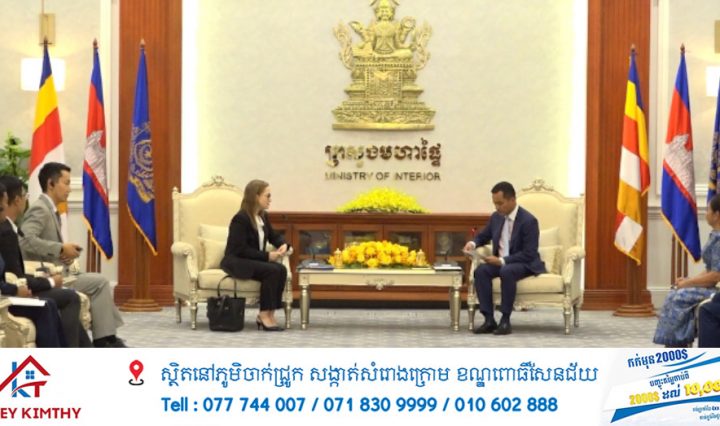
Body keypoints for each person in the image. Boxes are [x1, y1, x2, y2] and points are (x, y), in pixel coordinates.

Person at [18, 162, 127, 348]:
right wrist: (60, 248)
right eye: (66, 183)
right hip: (47, 276)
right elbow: (25, 241)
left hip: (60, 270)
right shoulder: (40, 209)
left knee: (97, 280)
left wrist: (63, 254)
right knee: (100, 282)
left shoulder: (50, 209)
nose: (70, 189)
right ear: (51, 184)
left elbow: (40, 244)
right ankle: (105, 340)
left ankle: (108, 337)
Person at [0, 175, 91, 347]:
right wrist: (49, 282)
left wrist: (44, 279)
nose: (4, 207)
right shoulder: (5, 232)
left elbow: (14, 273)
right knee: (63, 299)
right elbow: (13, 276)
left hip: (15, 288)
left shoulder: (9, 228)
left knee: (57, 300)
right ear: (16, 200)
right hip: (9, 296)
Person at [463, 181, 545, 335]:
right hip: (500, 261)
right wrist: (473, 244)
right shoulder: (496, 217)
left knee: (506, 271)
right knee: (481, 271)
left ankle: (505, 320)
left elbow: (529, 253)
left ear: (512, 200)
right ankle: (489, 319)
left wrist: (502, 261)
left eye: (500, 203)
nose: (497, 207)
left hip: (524, 263)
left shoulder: (529, 221)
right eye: (495, 203)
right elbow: (483, 235)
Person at [0, 182, 65, 347]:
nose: (6, 208)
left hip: (7, 292)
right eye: (4, 204)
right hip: (5, 298)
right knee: (47, 306)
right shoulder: (5, 233)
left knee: (48, 304)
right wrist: (15, 290)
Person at [220, 179, 289, 331]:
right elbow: (240, 250)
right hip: (236, 261)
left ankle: (270, 313)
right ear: (256, 197)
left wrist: (283, 244)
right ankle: (264, 314)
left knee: (281, 269)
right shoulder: (241, 219)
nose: (270, 199)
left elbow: (274, 236)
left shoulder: (263, 216)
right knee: (272, 270)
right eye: (267, 196)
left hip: (251, 260)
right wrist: (267, 256)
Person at [653, 194, 720, 347]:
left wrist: (688, 283)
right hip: (713, 286)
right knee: (675, 292)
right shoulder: (715, 236)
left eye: (708, 210)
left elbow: (716, 276)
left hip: (717, 290)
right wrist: (688, 280)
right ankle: (674, 345)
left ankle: (678, 344)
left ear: (717, 214)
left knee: (679, 297)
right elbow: (710, 269)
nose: (706, 214)